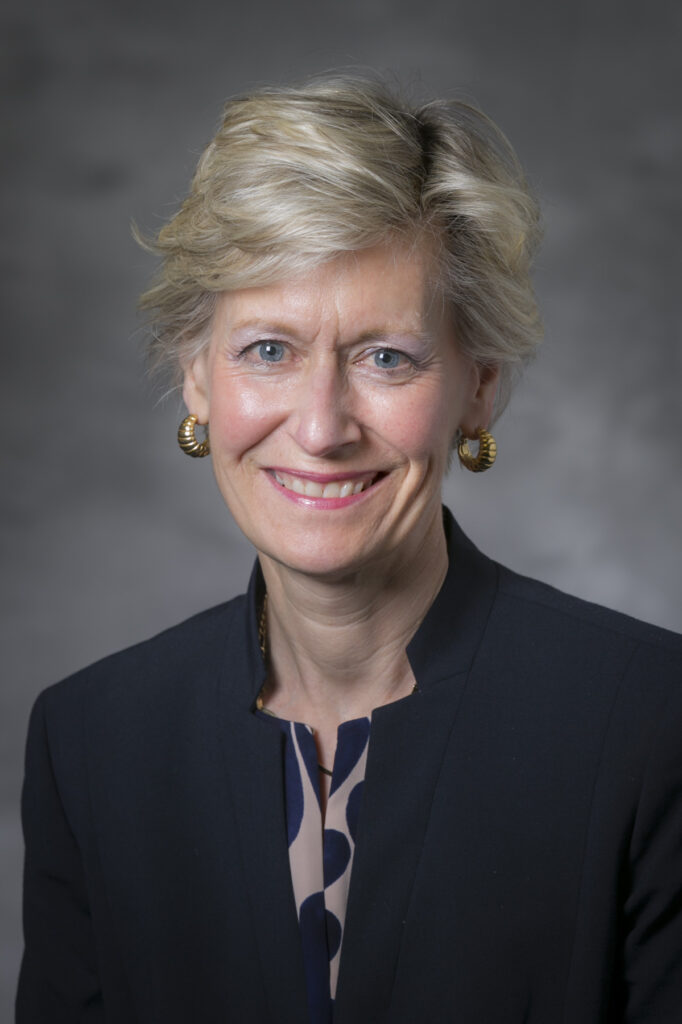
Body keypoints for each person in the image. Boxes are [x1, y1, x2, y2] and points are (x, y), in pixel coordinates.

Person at [17, 75, 682, 1024]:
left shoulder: (652, 725)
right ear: (196, 375)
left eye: (386, 357)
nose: (322, 428)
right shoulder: (93, 742)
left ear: (479, 389)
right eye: (268, 350)